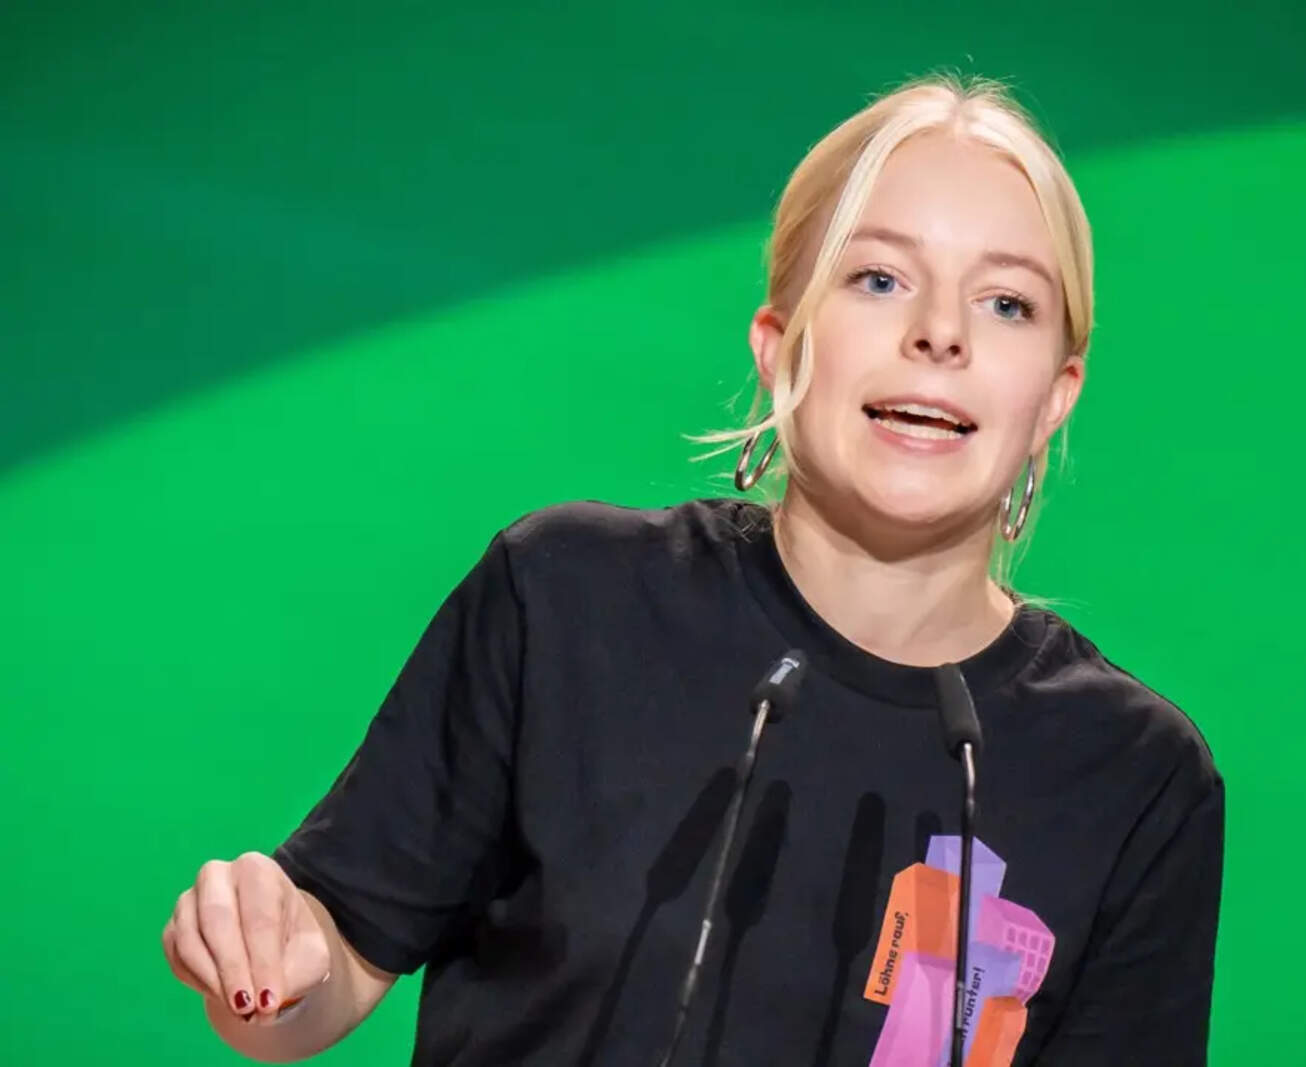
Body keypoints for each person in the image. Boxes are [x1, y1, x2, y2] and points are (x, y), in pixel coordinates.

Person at [160, 73, 1224, 1066]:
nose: (940, 332)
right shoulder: (565, 597)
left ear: (1054, 396)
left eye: (1005, 303)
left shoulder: (1136, 778)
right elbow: (328, 967)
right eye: (879, 278)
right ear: (779, 342)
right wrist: (268, 960)